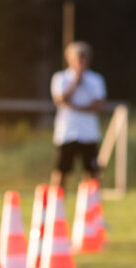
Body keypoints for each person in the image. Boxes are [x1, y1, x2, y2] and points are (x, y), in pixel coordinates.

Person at [50, 41, 106, 190]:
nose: (81, 61)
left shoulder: (95, 79)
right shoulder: (61, 78)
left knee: (93, 172)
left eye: (84, 57)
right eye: (77, 58)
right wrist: (76, 80)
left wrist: (74, 107)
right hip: (67, 132)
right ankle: (57, 206)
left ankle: (91, 207)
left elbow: (98, 105)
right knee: (61, 171)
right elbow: (60, 99)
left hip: (88, 133)